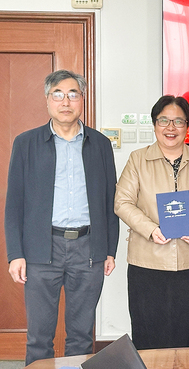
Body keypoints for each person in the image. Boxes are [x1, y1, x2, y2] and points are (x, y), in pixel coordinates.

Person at [4, 70, 119, 365]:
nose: (65, 102)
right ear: (47, 100)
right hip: (41, 249)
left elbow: (110, 200)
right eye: (58, 94)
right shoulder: (26, 143)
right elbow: (14, 203)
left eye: (72, 94)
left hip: (88, 248)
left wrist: (110, 249)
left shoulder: (100, 144)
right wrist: (15, 254)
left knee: (81, 336)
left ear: (82, 100)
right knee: (39, 336)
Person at [114, 95, 189, 350]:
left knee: (187, 332)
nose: (171, 127)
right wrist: (150, 229)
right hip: (147, 261)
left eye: (178, 121)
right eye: (163, 120)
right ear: (154, 124)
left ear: (188, 126)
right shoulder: (138, 159)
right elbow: (122, 202)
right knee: (147, 332)